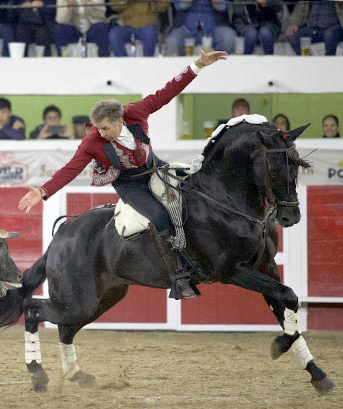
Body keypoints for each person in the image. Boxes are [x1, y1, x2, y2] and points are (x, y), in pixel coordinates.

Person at [18, 50, 228, 300]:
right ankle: (179, 275)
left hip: (155, 168)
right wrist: (42, 191)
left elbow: (168, 91)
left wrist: (198, 65)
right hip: (130, 185)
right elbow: (71, 169)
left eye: (105, 128)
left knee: (193, 196)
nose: (101, 133)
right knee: (160, 217)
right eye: (98, 128)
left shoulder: (136, 112)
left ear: (119, 120)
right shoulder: (92, 142)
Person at [165, 0, 236, 56]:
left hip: (214, 27)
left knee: (229, 38)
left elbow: (225, 7)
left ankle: (219, 69)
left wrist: (217, 2)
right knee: (172, 41)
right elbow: (179, 6)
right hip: (186, 28)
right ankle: (181, 71)